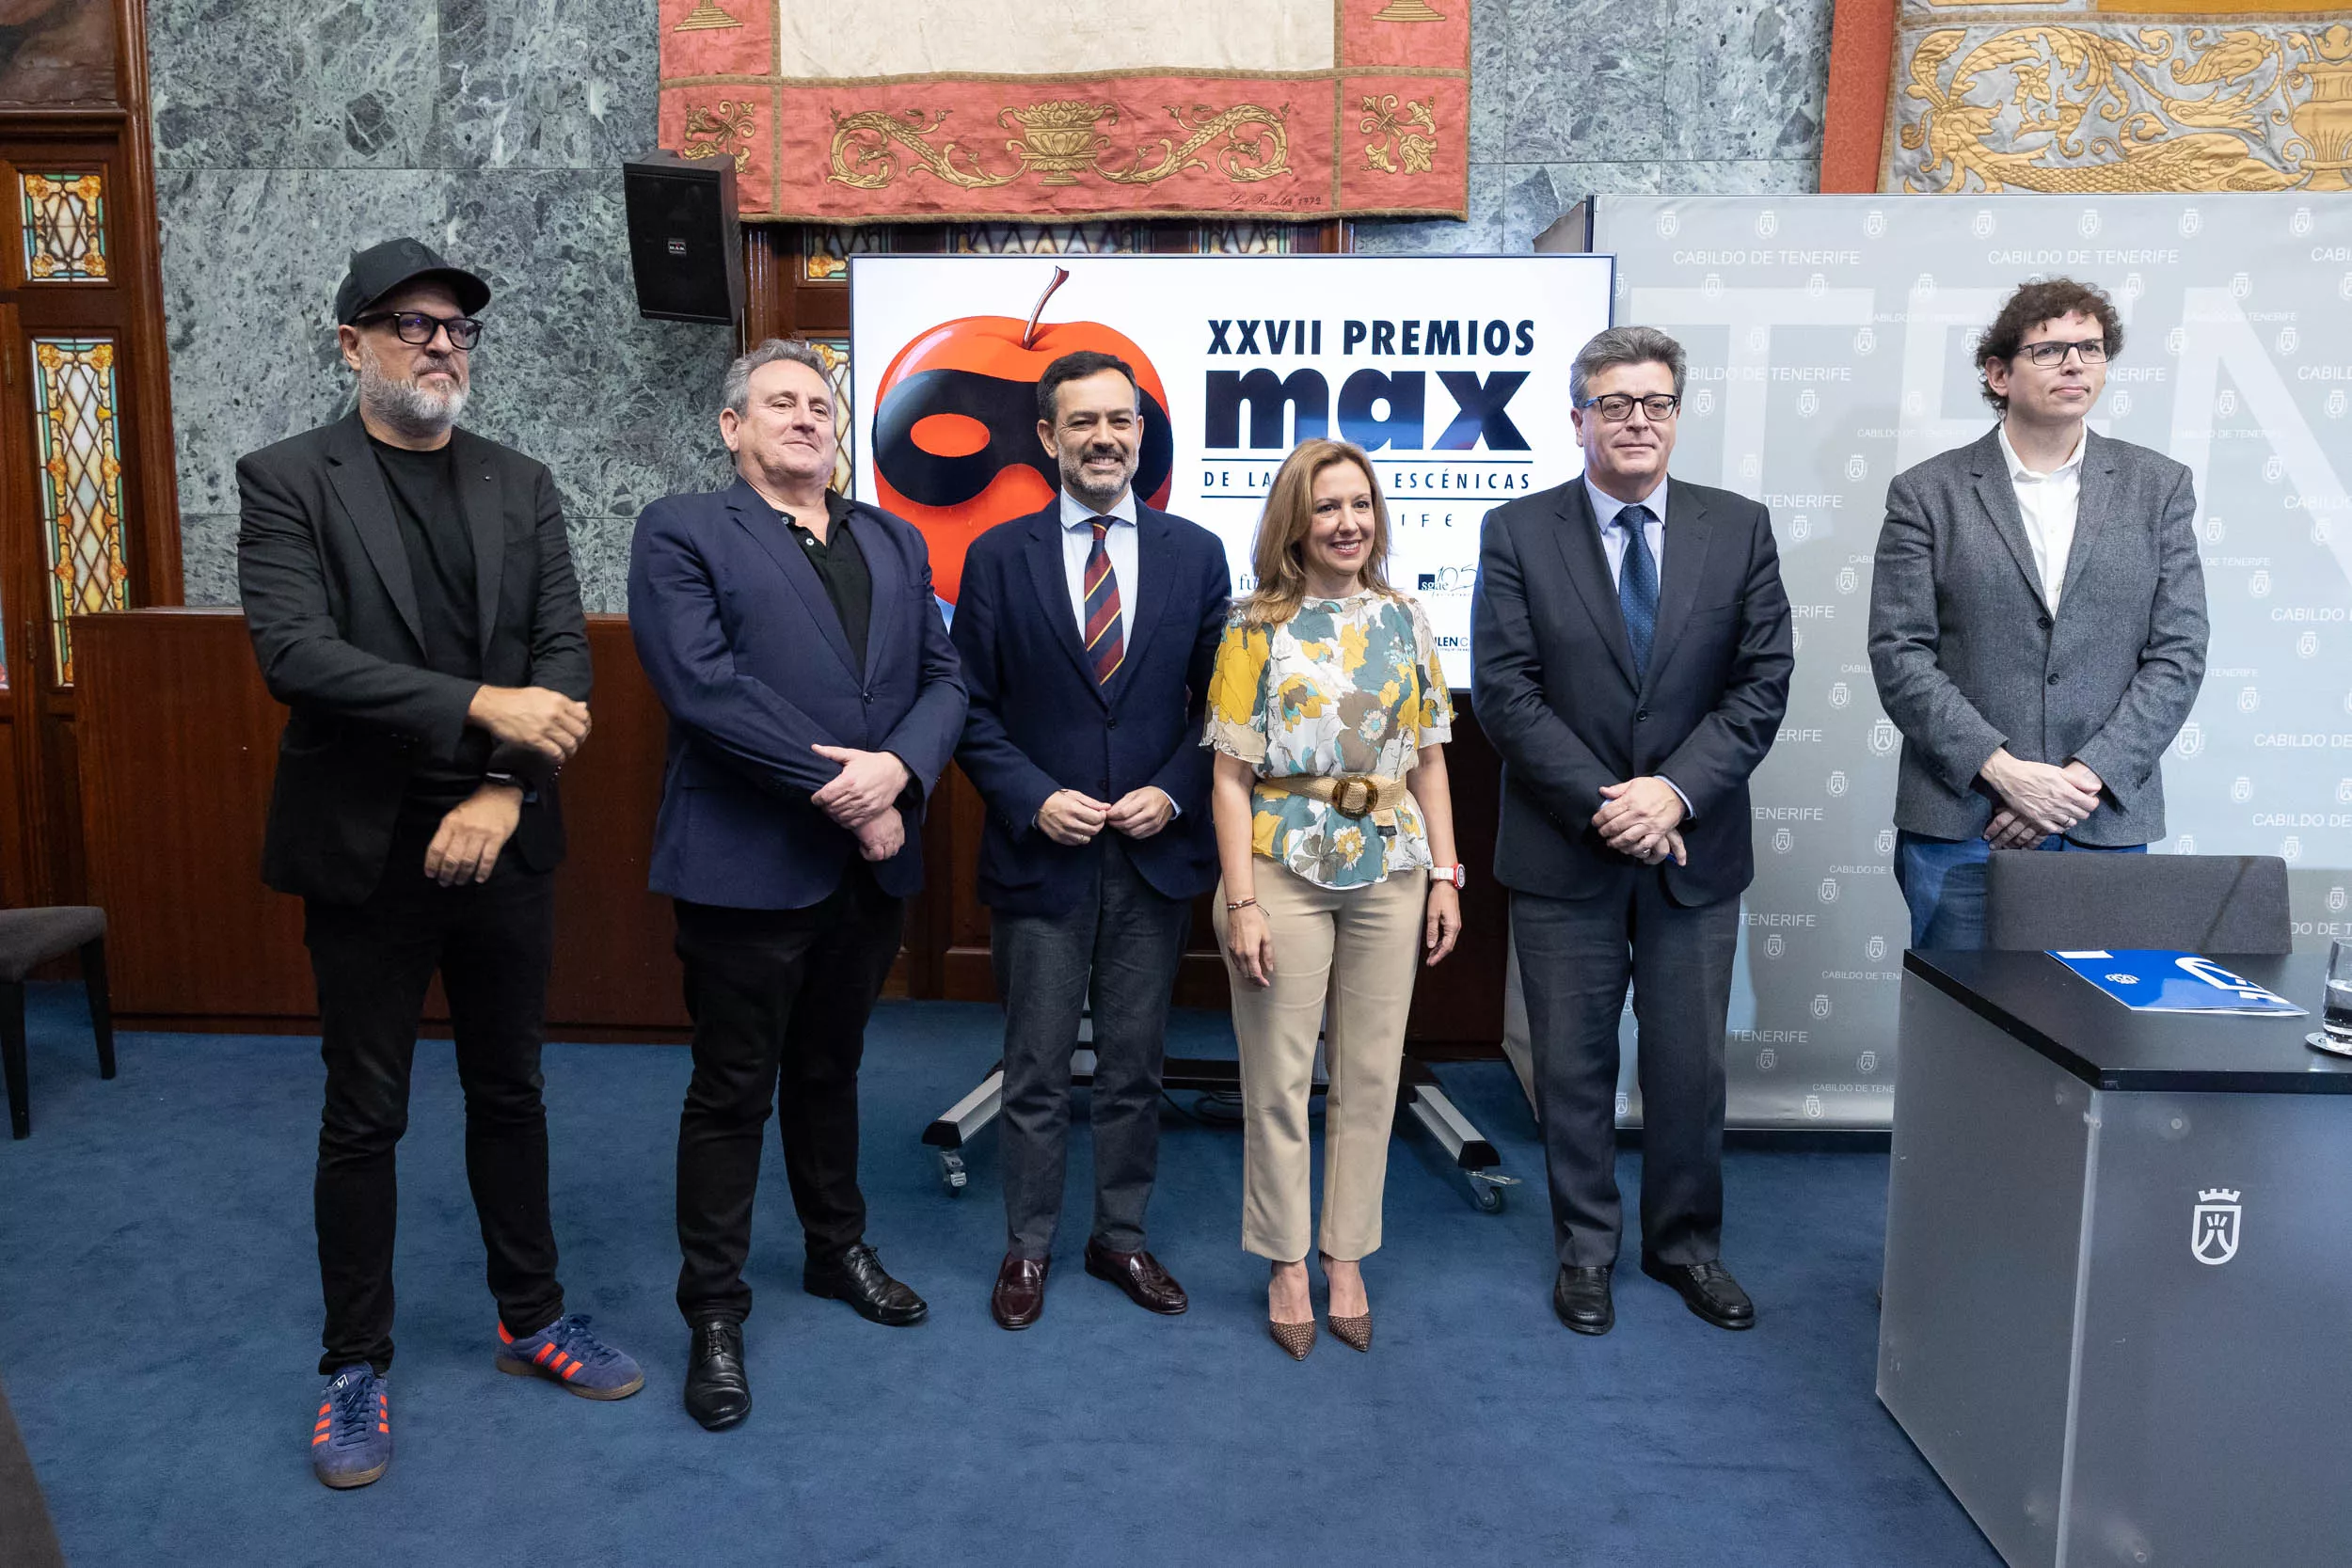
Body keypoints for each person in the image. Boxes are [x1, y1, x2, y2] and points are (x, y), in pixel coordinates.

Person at [238, 237, 642, 1491]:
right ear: (350, 340)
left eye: (458, 327)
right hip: (364, 849)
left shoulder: (521, 483)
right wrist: (483, 706)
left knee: (509, 1087)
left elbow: (562, 674)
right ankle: (352, 1364)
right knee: (365, 1114)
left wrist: (501, 790)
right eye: (411, 325)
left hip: (503, 841)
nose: (441, 344)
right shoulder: (288, 479)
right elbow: (297, 657)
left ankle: (532, 1317)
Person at [628, 339, 967, 1432]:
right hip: (745, 864)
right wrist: (854, 795)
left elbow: (942, 677)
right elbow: (704, 689)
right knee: (732, 1086)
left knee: (832, 1066)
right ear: (733, 428)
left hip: (868, 875)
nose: (806, 418)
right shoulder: (681, 530)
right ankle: (715, 1308)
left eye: (821, 404)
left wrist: (904, 771)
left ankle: (835, 1247)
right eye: (780, 402)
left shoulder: (894, 535)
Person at [1471, 325, 1791, 1338]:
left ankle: (1687, 1245)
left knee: (1689, 1063)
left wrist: (1672, 795)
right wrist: (1612, 800)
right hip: (1566, 842)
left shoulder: (1737, 527)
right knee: (1570, 1063)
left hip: (1693, 845)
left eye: (1653, 401)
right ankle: (1586, 1251)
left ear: (1677, 413)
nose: (1636, 419)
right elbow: (1505, 691)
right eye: (1613, 403)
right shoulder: (1518, 530)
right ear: (1577, 420)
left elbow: (1760, 682)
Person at [950, 351, 1231, 1330]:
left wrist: (1173, 789)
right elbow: (968, 707)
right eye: (1083, 423)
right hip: (1041, 852)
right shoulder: (994, 557)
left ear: (1141, 435)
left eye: (1120, 420)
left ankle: (1120, 1234)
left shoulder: (1198, 554)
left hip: (1154, 855)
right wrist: (1031, 795)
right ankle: (1026, 1245)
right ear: (1046, 437)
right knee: (1032, 1067)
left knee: (1133, 1065)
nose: (1103, 437)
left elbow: (1223, 711)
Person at [1205, 438, 1463, 1360]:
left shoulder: (1406, 617)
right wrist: (1241, 902)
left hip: (1391, 865)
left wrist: (1445, 872)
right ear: (1294, 523)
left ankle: (1343, 1252)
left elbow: (1431, 753)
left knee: (1370, 1075)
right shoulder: (1251, 626)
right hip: (1281, 866)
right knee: (1277, 1078)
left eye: (1360, 504)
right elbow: (1230, 779)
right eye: (1327, 507)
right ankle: (1282, 1260)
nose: (1348, 522)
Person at [1869, 277, 2207, 949]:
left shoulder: (2158, 486)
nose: (2077, 363)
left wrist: (2081, 781)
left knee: (2095, 1040)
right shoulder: (1926, 494)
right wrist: (2005, 774)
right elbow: (1900, 654)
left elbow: (2180, 650)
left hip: (2102, 819)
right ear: (1999, 373)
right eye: (2051, 350)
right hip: (1965, 823)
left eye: (2092, 347)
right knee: (1963, 1039)